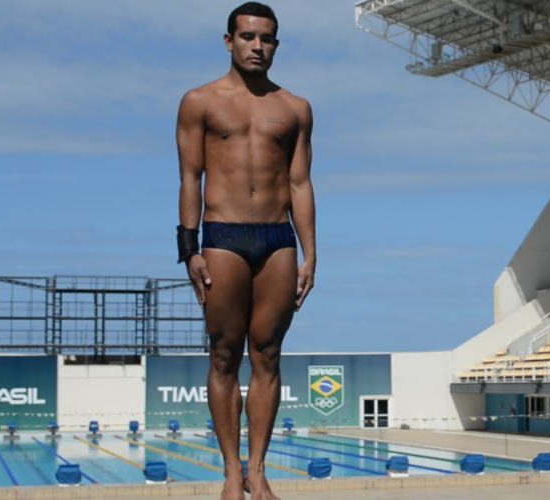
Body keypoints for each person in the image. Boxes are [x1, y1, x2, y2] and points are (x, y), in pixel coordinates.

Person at [176, 3, 315, 499]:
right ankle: (232, 472)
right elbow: (190, 177)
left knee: (269, 355)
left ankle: (258, 470)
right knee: (223, 354)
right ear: (229, 40)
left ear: (276, 44)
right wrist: (188, 248)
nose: (259, 46)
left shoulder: (295, 107)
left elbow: (300, 182)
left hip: (278, 240)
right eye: (249, 37)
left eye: (268, 39)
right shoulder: (200, 101)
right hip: (222, 237)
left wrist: (311, 252)